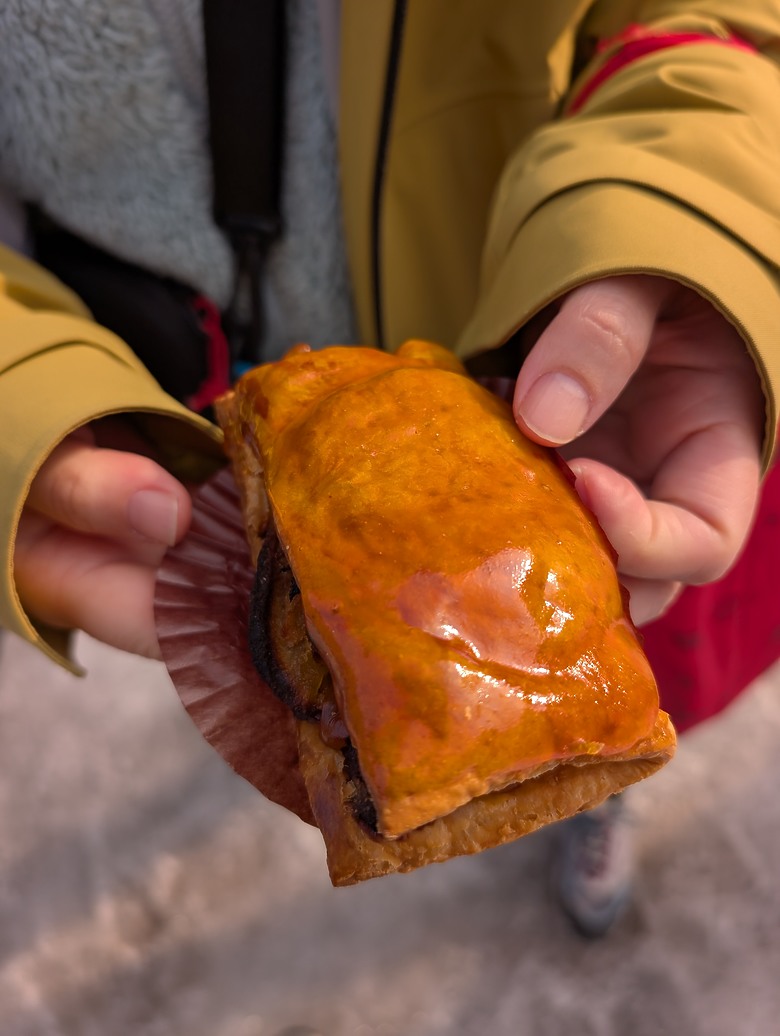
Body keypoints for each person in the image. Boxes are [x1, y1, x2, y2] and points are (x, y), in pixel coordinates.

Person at [0, 1, 778, 939]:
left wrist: (686, 224)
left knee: (611, 656)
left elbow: (720, 23)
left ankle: (594, 792)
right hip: (150, 382)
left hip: (549, 353)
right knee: (300, 657)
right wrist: (20, 384)